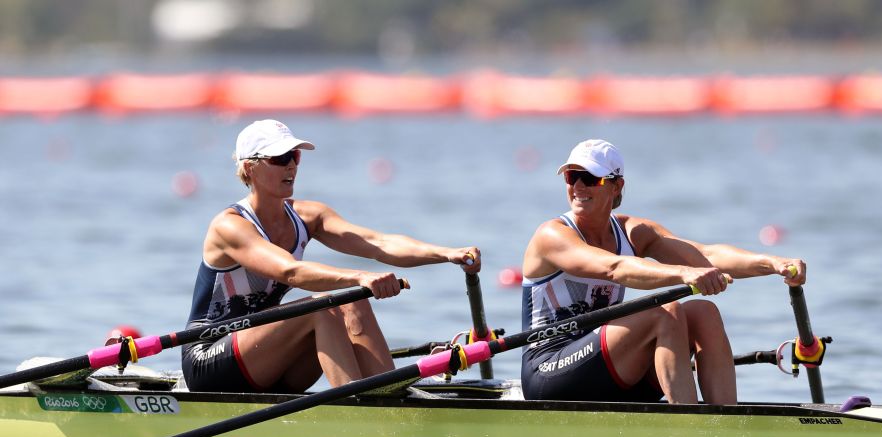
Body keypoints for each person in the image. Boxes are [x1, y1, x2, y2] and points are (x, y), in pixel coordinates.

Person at [182, 119, 481, 393]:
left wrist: (447, 253)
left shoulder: (309, 216)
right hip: (209, 357)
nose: (291, 166)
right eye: (279, 158)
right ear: (250, 168)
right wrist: (361, 276)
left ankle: (388, 400)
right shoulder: (229, 226)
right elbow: (290, 272)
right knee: (322, 307)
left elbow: (379, 242)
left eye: (295, 156)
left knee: (353, 300)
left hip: (265, 354)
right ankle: (358, 414)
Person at [520, 139, 805, 405]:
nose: (578, 187)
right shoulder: (552, 235)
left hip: (610, 368)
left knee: (704, 313)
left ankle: (726, 425)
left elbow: (705, 256)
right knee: (665, 313)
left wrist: (773, 263)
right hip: (550, 370)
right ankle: (692, 428)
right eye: (572, 177)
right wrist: (684, 274)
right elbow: (614, 267)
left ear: (616, 186)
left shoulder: (634, 232)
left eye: (591, 178)